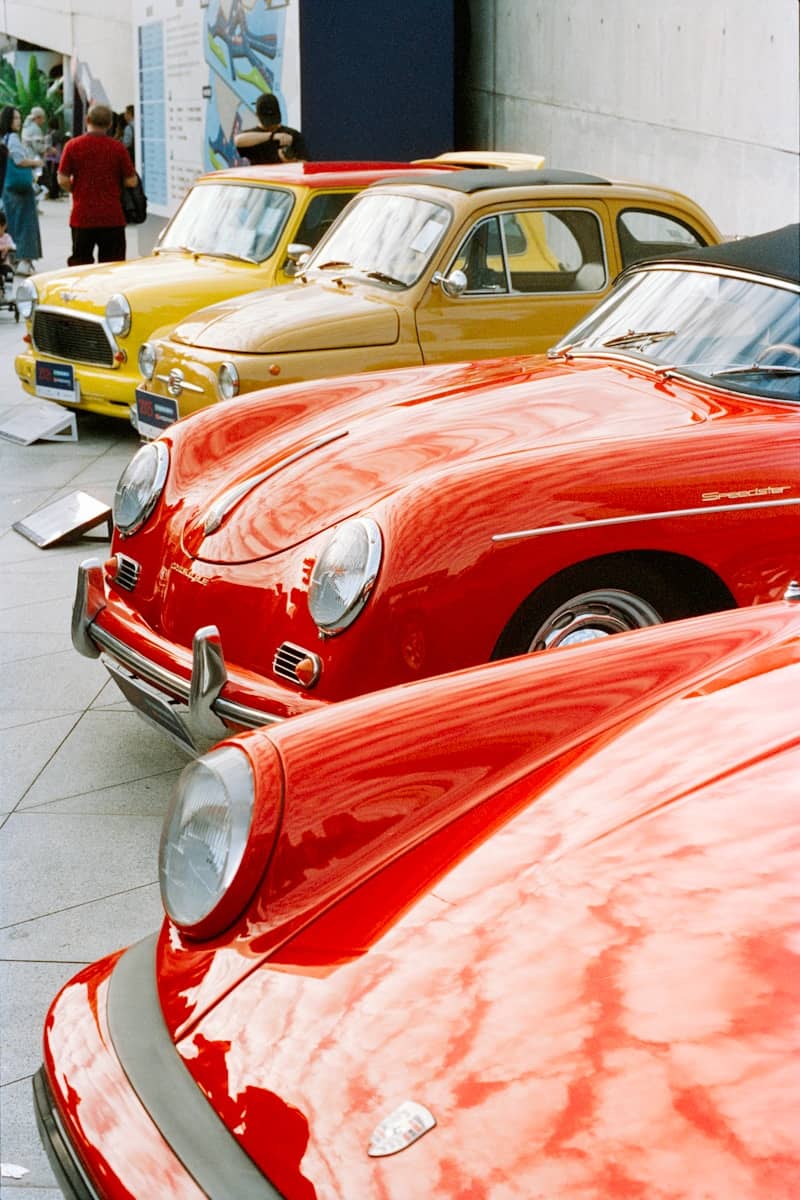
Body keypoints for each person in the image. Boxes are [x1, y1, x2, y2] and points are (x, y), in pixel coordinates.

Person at [57, 103, 137, 267]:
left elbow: (62, 179)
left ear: (87, 119)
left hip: (82, 216)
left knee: (80, 265)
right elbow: (131, 181)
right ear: (110, 124)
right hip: (112, 217)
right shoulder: (118, 148)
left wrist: (76, 189)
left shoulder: (72, 146)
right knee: (112, 267)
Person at [0, 105, 42, 275]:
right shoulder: (13, 139)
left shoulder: (3, 138)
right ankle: (25, 261)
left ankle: (14, 259)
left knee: (13, 224)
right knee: (26, 225)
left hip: (8, 187)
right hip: (21, 189)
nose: (18, 121)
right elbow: (19, 161)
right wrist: (36, 163)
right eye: (15, 118)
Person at [233, 93, 308, 164]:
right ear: (257, 115)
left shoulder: (293, 135)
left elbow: (305, 164)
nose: (271, 126)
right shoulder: (252, 138)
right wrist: (273, 136)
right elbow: (238, 141)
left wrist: (291, 161)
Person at [0, 211, 16, 294]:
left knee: (9, 272)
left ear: (4, 226)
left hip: (3, 264)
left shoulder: (6, 237)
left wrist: (8, 247)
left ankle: (8, 291)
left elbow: (13, 246)